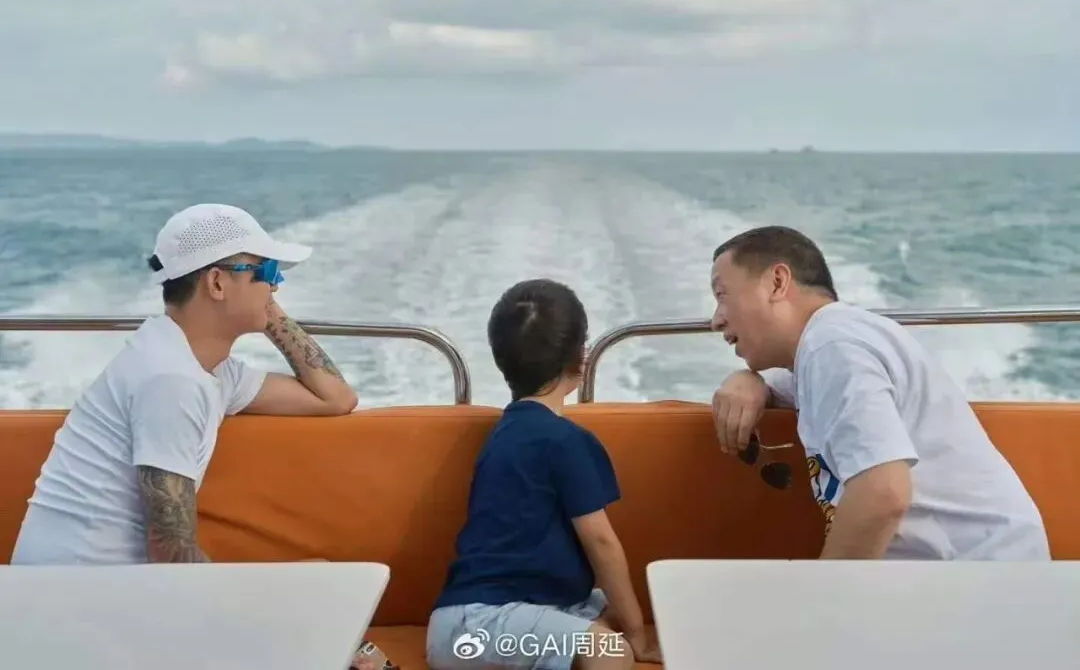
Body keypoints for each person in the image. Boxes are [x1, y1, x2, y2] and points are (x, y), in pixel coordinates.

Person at [11, 203, 396, 670]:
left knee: (321, 589)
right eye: (267, 272)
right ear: (216, 283)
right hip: (75, 614)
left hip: (108, 595)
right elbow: (171, 555)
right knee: (321, 608)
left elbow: (335, 397)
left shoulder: (204, 368)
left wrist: (264, 307)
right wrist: (279, 619)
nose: (276, 285)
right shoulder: (171, 380)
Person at [708, 224, 1050, 560]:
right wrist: (748, 380)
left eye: (722, 295)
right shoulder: (825, 348)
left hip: (981, 573)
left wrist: (826, 592)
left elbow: (883, 492)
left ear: (777, 283)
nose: (716, 320)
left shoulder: (833, 347)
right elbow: (781, 387)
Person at [426, 279, 661, 670]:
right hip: (482, 625)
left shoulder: (505, 432)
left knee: (606, 609)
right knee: (612, 651)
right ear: (580, 361)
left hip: (468, 625)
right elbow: (601, 543)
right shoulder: (565, 441)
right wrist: (638, 637)